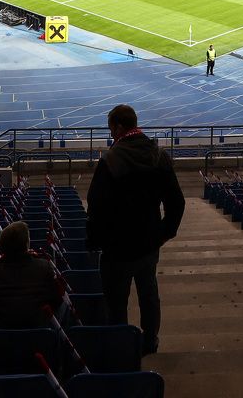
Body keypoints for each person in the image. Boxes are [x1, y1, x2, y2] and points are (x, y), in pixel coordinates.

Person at [86, 104, 184, 356]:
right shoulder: (158, 155)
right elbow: (176, 202)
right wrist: (164, 233)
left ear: (118, 127)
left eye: (111, 129)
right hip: (148, 244)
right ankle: (150, 341)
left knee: (116, 302)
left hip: (117, 249)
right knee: (149, 294)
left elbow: (96, 206)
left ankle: (121, 347)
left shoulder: (110, 160)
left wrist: (96, 242)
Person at [0, 221, 60, 330]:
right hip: (39, 331)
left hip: (4, 331)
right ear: (26, 243)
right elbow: (56, 298)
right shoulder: (44, 266)